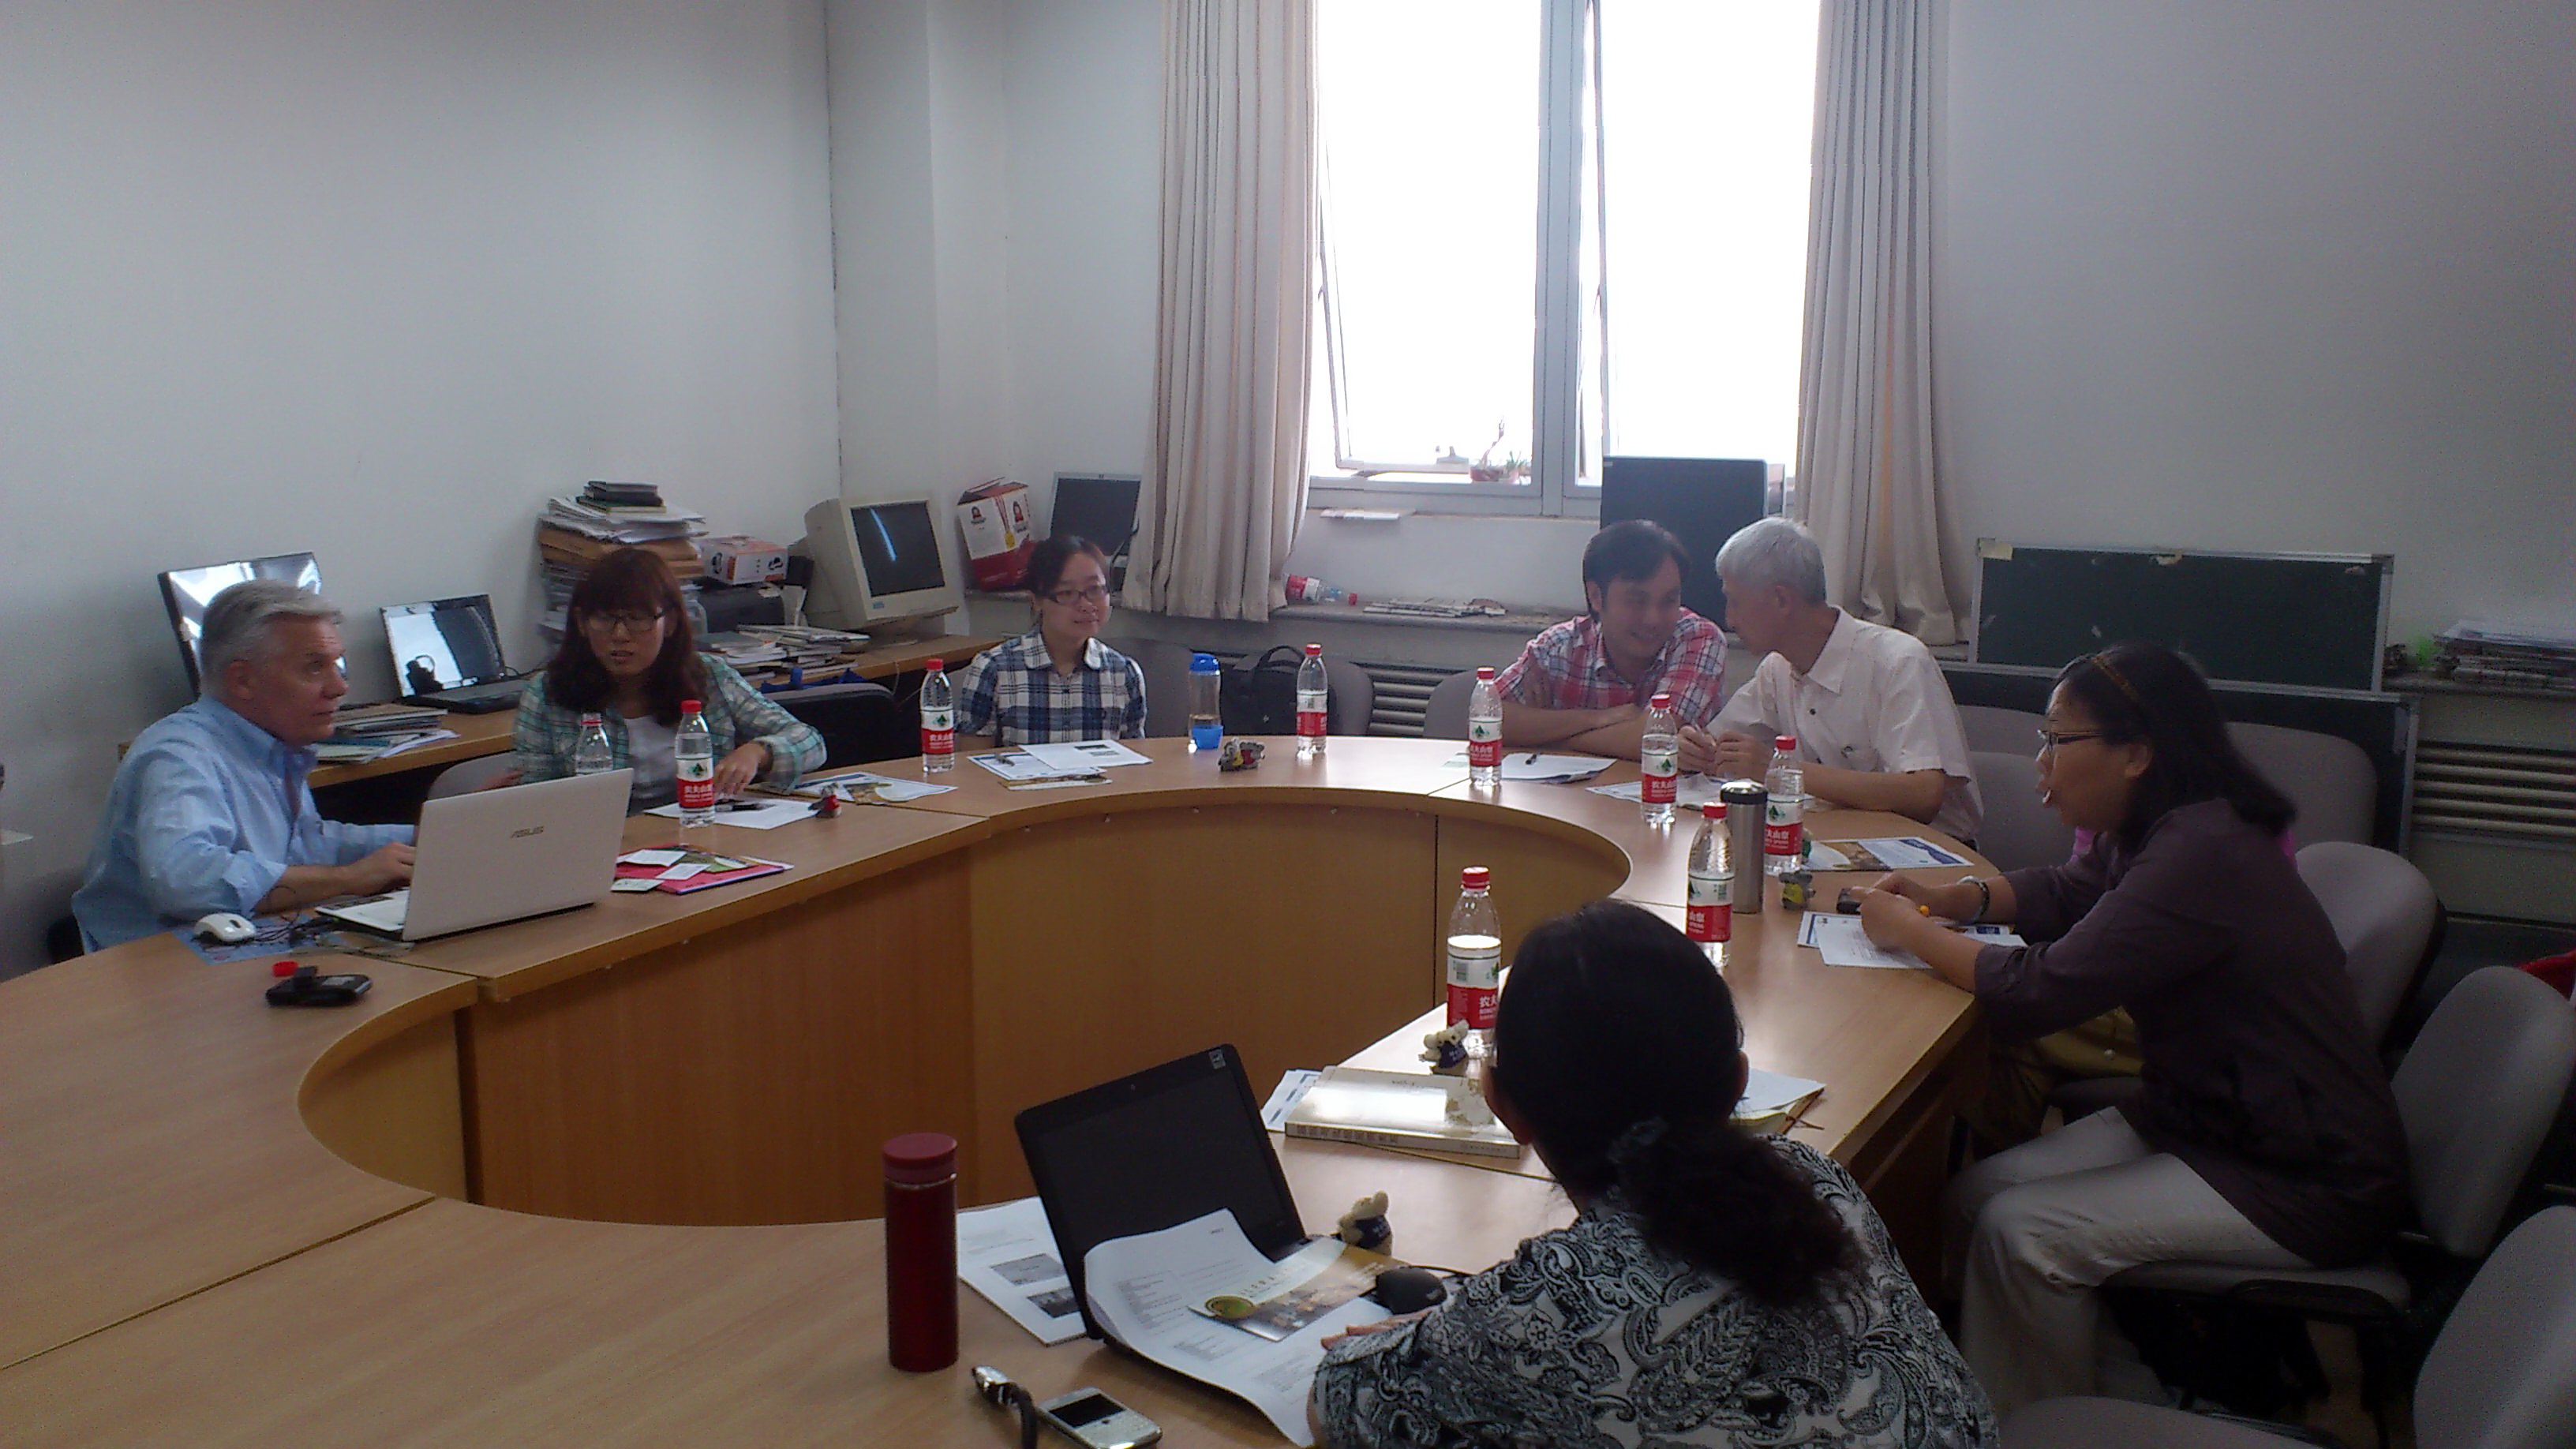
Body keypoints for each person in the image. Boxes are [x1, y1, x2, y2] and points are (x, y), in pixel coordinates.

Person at [1852, 642, 2408, 1417]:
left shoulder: (2202, 853)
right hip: (2206, 1118)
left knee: (2023, 1235)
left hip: (2300, 1173)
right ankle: (2120, 1406)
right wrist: (1955, 899)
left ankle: (2036, 1426)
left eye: (2057, 739)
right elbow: (2063, 889)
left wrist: (1908, 931)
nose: (2041, 761)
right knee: (1974, 1200)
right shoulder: (2160, 828)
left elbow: (2036, 992)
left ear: (2138, 753)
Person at [1311, 900, 1997, 1449]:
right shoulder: (1817, 1182)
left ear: (1503, 1105)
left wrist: (1448, 1339)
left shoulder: (1551, 1306)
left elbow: (1335, 1400)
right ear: (1737, 1082)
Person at [72, 581, 417, 951]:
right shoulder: (179, 755)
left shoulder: (272, 741)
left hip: (250, 942)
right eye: (314, 668)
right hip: (161, 964)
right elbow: (184, 881)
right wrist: (349, 878)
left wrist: (426, 838)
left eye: (337, 665)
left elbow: (304, 846)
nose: (339, 687)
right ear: (243, 680)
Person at [1699, 517, 1982, 840]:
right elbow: (1719, 740)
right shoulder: (1776, 669)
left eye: (1734, 601)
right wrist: (1696, 749)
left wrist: (1779, 770)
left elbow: (1923, 795)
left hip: (1932, 855)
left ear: (1781, 600)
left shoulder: (1898, 661)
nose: (1729, 619)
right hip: (1835, 843)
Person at [511, 547, 822, 810]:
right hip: (606, 845)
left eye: (638, 619)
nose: (620, 635)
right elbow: (539, 804)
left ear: (669, 623)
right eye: (604, 619)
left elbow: (809, 741)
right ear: (581, 623)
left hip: (703, 831)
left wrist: (758, 752)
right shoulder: (547, 694)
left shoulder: (709, 676)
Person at [1493, 520, 1728, 769]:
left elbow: (1656, 738)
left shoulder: (1699, 639)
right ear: (1596, 596)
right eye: (1637, 601)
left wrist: (1549, 738)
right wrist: (1600, 718)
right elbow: (1488, 718)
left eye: (1669, 601)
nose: (1653, 619)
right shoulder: (1559, 647)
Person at [952, 535, 1147, 745]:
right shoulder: (993, 670)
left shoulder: (1124, 673)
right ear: (1036, 600)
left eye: (1095, 589)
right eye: (1067, 593)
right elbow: (971, 761)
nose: (1086, 605)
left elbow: (1134, 759)